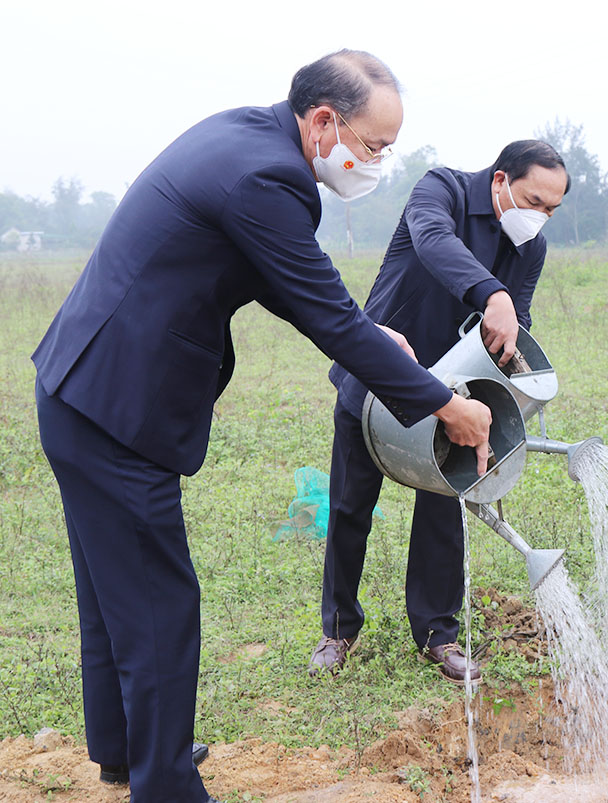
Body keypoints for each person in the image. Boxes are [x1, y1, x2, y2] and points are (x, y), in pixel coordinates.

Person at [32, 50, 492, 802]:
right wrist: (444, 402)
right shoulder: (266, 179)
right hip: (118, 411)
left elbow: (287, 282)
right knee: (156, 603)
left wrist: (380, 340)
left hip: (81, 387)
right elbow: (326, 316)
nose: (376, 162)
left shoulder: (244, 139)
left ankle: (126, 747)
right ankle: (166, 784)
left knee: (110, 588)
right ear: (323, 121)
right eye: (374, 145)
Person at [309, 141, 569, 683]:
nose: (539, 218)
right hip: (378, 373)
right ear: (500, 181)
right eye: (533, 201)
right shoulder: (441, 191)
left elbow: (511, 324)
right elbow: (433, 242)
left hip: (457, 393)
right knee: (351, 503)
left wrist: (510, 338)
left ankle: (437, 634)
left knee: (445, 508)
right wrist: (492, 294)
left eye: (551, 210)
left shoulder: (530, 249)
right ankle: (337, 630)